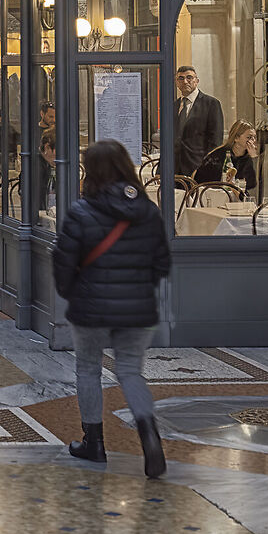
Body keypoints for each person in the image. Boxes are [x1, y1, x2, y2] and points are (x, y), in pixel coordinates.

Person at [52, 140, 173, 478]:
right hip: (138, 308)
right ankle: (149, 436)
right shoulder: (148, 211)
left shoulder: (81, 212)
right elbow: (162, 262)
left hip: (90, 307)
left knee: (88, 369)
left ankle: (94, 442)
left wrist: (71, 292)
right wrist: (139, 287)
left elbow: (63, 263)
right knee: (131, 372)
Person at [172, 66, 226, 183]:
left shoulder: (211, 104)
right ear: (176, 83)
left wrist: (206, 169)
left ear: (197, 81)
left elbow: (216, 141)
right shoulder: (173, 106)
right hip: (174, 170)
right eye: (181, 78)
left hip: (199, 169)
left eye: (189, 77)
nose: (185, 81)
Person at [220, 121, 261, 198]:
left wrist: (254, 158)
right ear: (236, 138)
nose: (253, 141)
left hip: (242, 199)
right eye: (249, 137)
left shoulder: (248, 157)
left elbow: (253, 186)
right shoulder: (220, 155)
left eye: (254, 137)